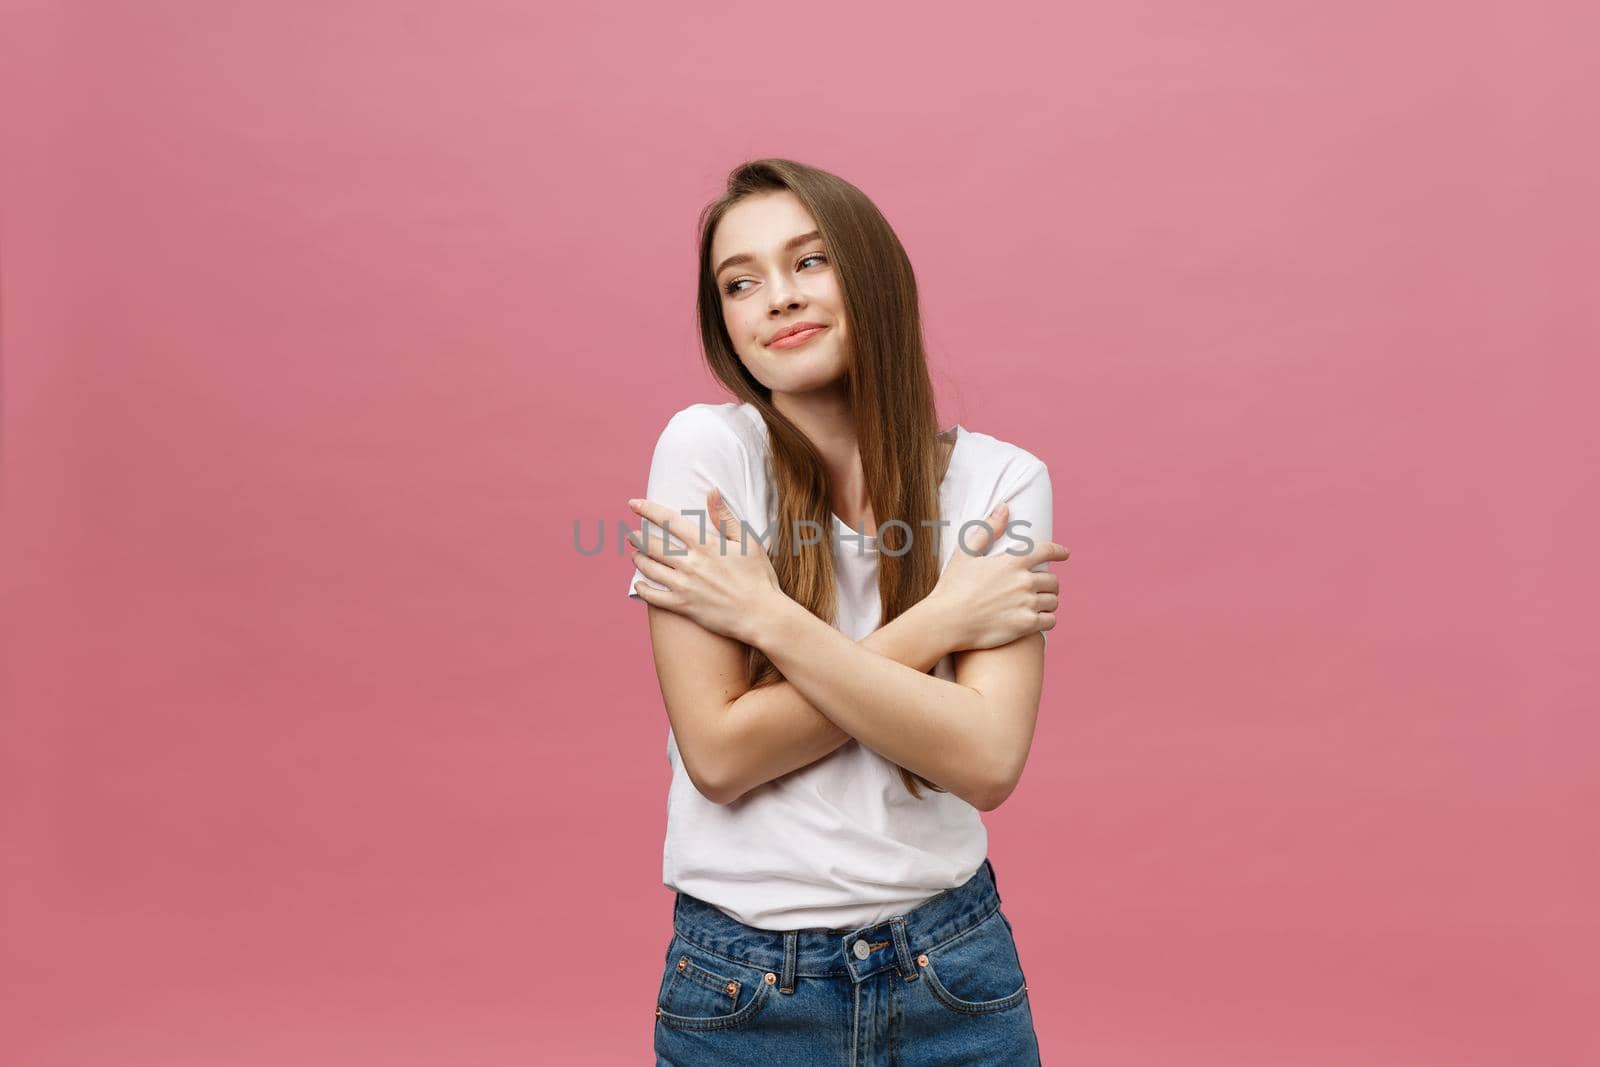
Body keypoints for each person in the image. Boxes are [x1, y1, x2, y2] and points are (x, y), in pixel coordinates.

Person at [622, 158, 1069, 1065]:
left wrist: (768, 619)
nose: (776, 298)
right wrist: (942, 622)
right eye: (740, 283)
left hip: (956, 977)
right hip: (747, 992)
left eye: (809, 262)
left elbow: (985, 760)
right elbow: (720, 752)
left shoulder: (1001, 480)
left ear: (873, 274)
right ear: (728, 326)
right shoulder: (705, 452)